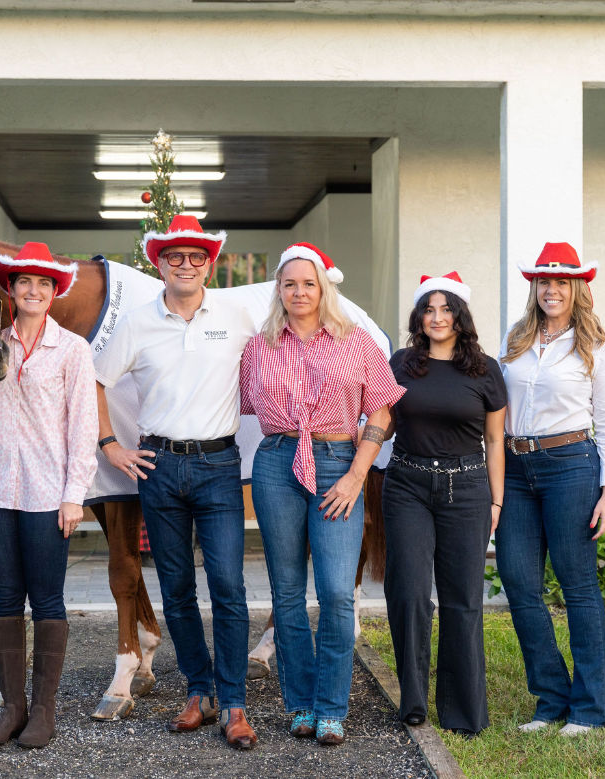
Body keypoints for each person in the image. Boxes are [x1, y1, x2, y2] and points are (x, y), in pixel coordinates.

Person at [93, 215, 259, 750]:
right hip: (159, 468)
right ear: (158, 263)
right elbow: (96, 380)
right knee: (178, 590)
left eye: (195, 257)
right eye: (174, 257)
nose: (185, 265)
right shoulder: (137, 322)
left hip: (217, 467)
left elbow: (278, 362)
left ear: (209, 263)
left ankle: (233, 703)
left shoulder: (236, 317)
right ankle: (199, 690)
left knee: (229, 588)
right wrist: (109, 446)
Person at [240, 242, 404, 746]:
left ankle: (332, 705)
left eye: (308, 283)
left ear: (324, 287)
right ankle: (301, 703)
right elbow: (247, 404)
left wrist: (358, 473)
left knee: (335, 592)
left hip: (338, 462)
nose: (299, 292)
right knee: (286, 592)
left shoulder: (355, 341)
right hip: (276, 463)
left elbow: (381, 411)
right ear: (279, 290)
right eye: (289, 283)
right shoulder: (258, 345)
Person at [0, 242, 98, 749]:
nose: (33, 291)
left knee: (48, 600)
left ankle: (43, 712)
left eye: (44, 284)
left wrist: (74, 495)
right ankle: (12, 709)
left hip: (47, 495)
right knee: (5, 600)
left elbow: (83, 429)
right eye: (24, 283)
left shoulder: (72, 350)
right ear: (10, 290)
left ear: (54, 293)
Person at [497, 242, 605, 736]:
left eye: (561, 282)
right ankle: (550, 699)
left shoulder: (599, 346)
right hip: (514, 466)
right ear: (535, 287)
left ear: (577, 288)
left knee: (577, 586)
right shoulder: (517, 340)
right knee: (519, 582)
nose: (552, 289)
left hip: (572, 465)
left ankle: (590, 708)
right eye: (544, 281)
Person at [382, 273, 506, 739]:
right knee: (410, 594)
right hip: (408, 485)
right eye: (428, 310)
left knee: (463, 600)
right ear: (418, 317)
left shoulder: (484, 370)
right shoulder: (402, 364)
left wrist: (496, 499)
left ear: (460, 315)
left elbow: (495, 440)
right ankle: (413, 701)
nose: (437, 317)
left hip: (467, 488)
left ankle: (463, 711)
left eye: (446, 309)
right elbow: (384, 422)